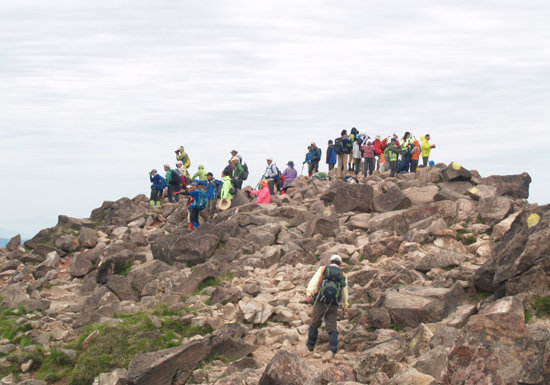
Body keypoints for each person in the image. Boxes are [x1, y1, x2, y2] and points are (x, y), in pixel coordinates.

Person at [305, 254, 348, 355]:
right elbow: (344, 291)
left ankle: (310, 346)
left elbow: (314, 281)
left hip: (321, 301)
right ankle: (333, 349)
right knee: (332, 327)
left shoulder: (323, 269)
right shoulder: (343, 274)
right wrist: (345, 305)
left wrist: (309, 293)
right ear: (340, 264)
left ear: (330, 262)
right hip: (334, 304)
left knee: (314, 323)